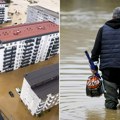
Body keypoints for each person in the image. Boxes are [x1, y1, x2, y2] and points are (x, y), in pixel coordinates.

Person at [91, 7, 120, 110]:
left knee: (110, 100)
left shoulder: (103, 29)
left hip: (108, 71)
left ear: (113, 17)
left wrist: (94, 67)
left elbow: (95, 51)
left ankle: (110, 114)